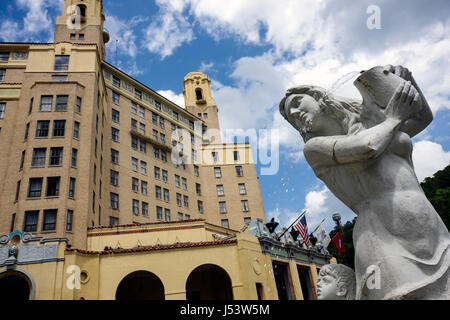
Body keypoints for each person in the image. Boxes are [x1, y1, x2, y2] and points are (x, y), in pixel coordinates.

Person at [279, 67, 450, 299]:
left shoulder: (368, 121)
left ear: (318, 96)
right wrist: (393, 119)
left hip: (430, 227)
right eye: (290, 116)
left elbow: (422, 118)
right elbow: (367, 148)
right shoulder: (315, 148)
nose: (295, 113)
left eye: (298, 103)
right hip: (383, 237)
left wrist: (406, 81)